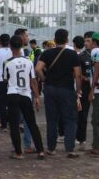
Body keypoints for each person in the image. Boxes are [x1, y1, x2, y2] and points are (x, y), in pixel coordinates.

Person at [35, 29, 82, 158]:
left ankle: (51, 148)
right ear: (67, 40)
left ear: (54, 40)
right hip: (66, 89)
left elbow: (38, 68)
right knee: (70, 120)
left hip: (50, 89)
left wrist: (44, 79)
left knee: (52, 120)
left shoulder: (47, 53)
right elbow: (78, 75)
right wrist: (78, 90)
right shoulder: (72, 54)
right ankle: (70, 149)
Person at [4, 35, 45, 160]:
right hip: (26, 94)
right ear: (22, 46)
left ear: (10, 46)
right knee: (32, 123)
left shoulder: (8, 63)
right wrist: (37, 97)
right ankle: (40, 151)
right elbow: (33, 81)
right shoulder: (28, 62)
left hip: (12, 94)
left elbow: (6, 80)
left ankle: (18, 152)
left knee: (14, 125)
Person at [74, 33, 92, 150]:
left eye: (88, 41)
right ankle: (81, 138)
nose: (86, 43)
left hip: (96, 89)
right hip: (85, 89)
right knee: (82, 114)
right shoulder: (81, 56)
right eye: (85, 41)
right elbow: (77, 74)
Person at [90, 32, 99, 156]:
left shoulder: (96, 51)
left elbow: (97, 68)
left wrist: (92, 89)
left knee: (96, 119)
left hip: (98, 90)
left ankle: (97, 147)